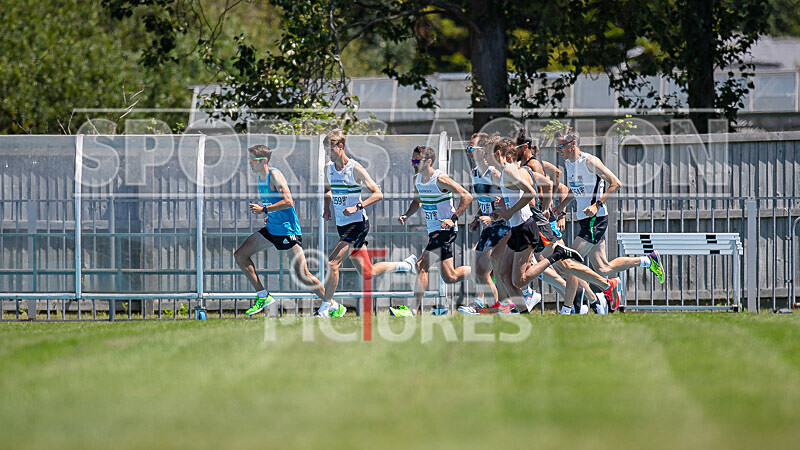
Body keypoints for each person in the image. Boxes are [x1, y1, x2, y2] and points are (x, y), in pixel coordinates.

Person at [551, 128, 665, 312]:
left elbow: (616, 183)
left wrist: (597, 204)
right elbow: (575, 188)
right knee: (603, 267)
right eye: (557, 147)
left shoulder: (590, 161)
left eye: (561, 146)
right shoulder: (569, 164)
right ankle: (647, 260)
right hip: (585, 219)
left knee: (570, 262)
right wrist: (561, 206)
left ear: (573, 144)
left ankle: (568, 308)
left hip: (595, 219)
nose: (559, 150)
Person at [319, 129, 417, 317]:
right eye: (326, 150)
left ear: (340, 146)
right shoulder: (328, 169)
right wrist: (326, 207)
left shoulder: (355, 169)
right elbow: (328, 190)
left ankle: (326, 308)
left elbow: (377, 193)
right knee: (367, 272)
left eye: (330, 149)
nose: (328, 153)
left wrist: (357, 206)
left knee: (332, 263)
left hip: (357, 224)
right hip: (342, 225)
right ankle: (406, 265)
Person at [489, 140, 588, 314]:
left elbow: (530, 192)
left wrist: (510, 211)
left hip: (525, 229)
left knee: (519, 281)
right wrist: (503, 211)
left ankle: (558, 254)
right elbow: (517, 196)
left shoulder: (509, 169)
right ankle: (523, 314)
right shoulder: (506, 171)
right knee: (504, 276)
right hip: (517, 228)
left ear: (498, 154)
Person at [234, 145, 326, 316]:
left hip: (287, 231)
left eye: (252, 160)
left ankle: (331, 304)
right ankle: (263, 295)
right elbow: (275, 204)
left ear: (264, 161)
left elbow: (289, 201)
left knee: (303, 275)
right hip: (271, 230)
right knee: (240, 255)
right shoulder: (260, 178)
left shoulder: (274, 175)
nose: (250, 163)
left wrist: (265, 210)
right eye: (249, 160)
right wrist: (270, 214)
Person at [396, 146, 473, 316]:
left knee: (421, 265)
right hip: (434, 231)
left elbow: (467, 196)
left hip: (445, 230)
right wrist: (406, 214)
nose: (413, 163)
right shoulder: (417, 179)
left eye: (417, 160)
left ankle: (412, 311)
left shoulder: (440, 179)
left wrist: (453, 218)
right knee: (450, 276)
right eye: (412, 160)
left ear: (428, 161)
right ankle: (481, 271)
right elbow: (417, 201)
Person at [458, 133, 513, 314]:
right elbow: (485, 201)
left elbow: (510, 199)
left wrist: (494, 216)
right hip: (487, 226)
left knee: (485, 269)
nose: (469, 151)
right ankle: (491, 305)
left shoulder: (495, 173)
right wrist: (476, 218)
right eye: (468, 148)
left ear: (483, 151)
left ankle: (497, 306)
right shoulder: (475, 173)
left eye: (472, 148)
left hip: (502, 225)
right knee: (478, 269)